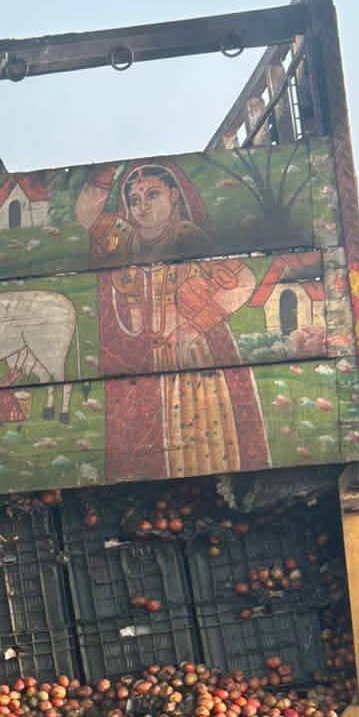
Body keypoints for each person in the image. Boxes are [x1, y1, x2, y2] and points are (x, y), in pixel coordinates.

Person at [76, 161, 269, 481]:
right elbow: (87, 215)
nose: (142, 207)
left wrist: (196, 325)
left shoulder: (187, 238)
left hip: (196, 357)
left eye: (153, 195)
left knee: (202, 445)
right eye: (134, 200)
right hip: (148, 361)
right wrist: (104, 175)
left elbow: (244, 279)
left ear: (175, 196)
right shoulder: (125, 240)